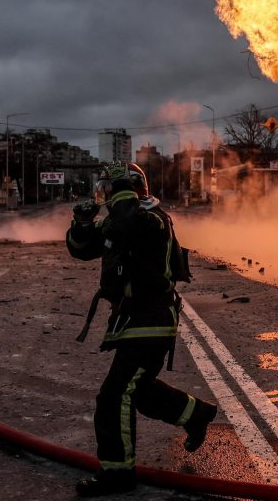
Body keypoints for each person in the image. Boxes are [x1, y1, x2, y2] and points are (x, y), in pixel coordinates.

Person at [65, 162, 216, 496]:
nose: (106, 197)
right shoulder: (120, 221)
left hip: (151, 322)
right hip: (133, 322)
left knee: (114, 396)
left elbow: (128, 221)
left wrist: (120, 196)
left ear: (128, 190)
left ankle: (117, 473)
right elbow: (82, 249)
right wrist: (82, 222)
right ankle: (195, 414)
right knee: (139, 390)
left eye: (111, 190)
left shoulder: (152, 219)